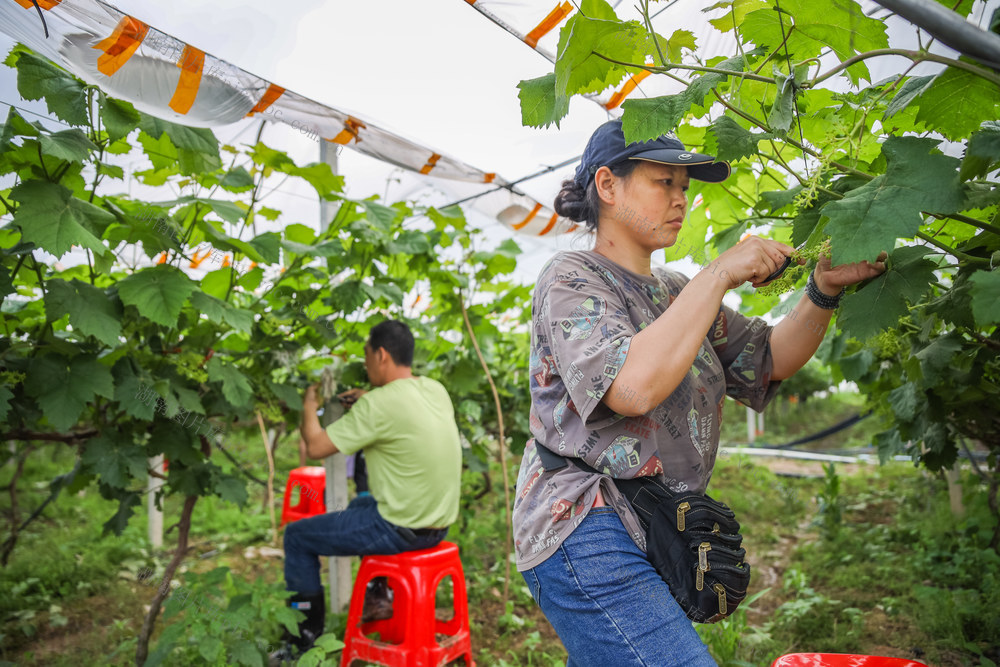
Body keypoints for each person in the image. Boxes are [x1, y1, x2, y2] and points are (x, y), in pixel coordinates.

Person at [512, 119, 886, 666]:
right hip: (583, 520)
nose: (680, 198)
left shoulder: (675, 291)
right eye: (664, 182)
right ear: (607, 186)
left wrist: (822, 290)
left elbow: (770, 358)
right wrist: (718, 274)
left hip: (654, 523)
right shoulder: (571, 278)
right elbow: (630, 388)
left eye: (684, 187)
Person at [272, 319, 462, 660]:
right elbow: (398, 406)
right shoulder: (435, 389)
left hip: (401, 529)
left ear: (381, 355)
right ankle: (379, 595)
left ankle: (302, 641)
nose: (364, 363)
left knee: (297, 537)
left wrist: (307, 403)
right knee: (361, 501)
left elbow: (315, 446)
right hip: (438, 525)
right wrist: (371, 396)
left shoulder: (379, 405)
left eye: (366, 356)